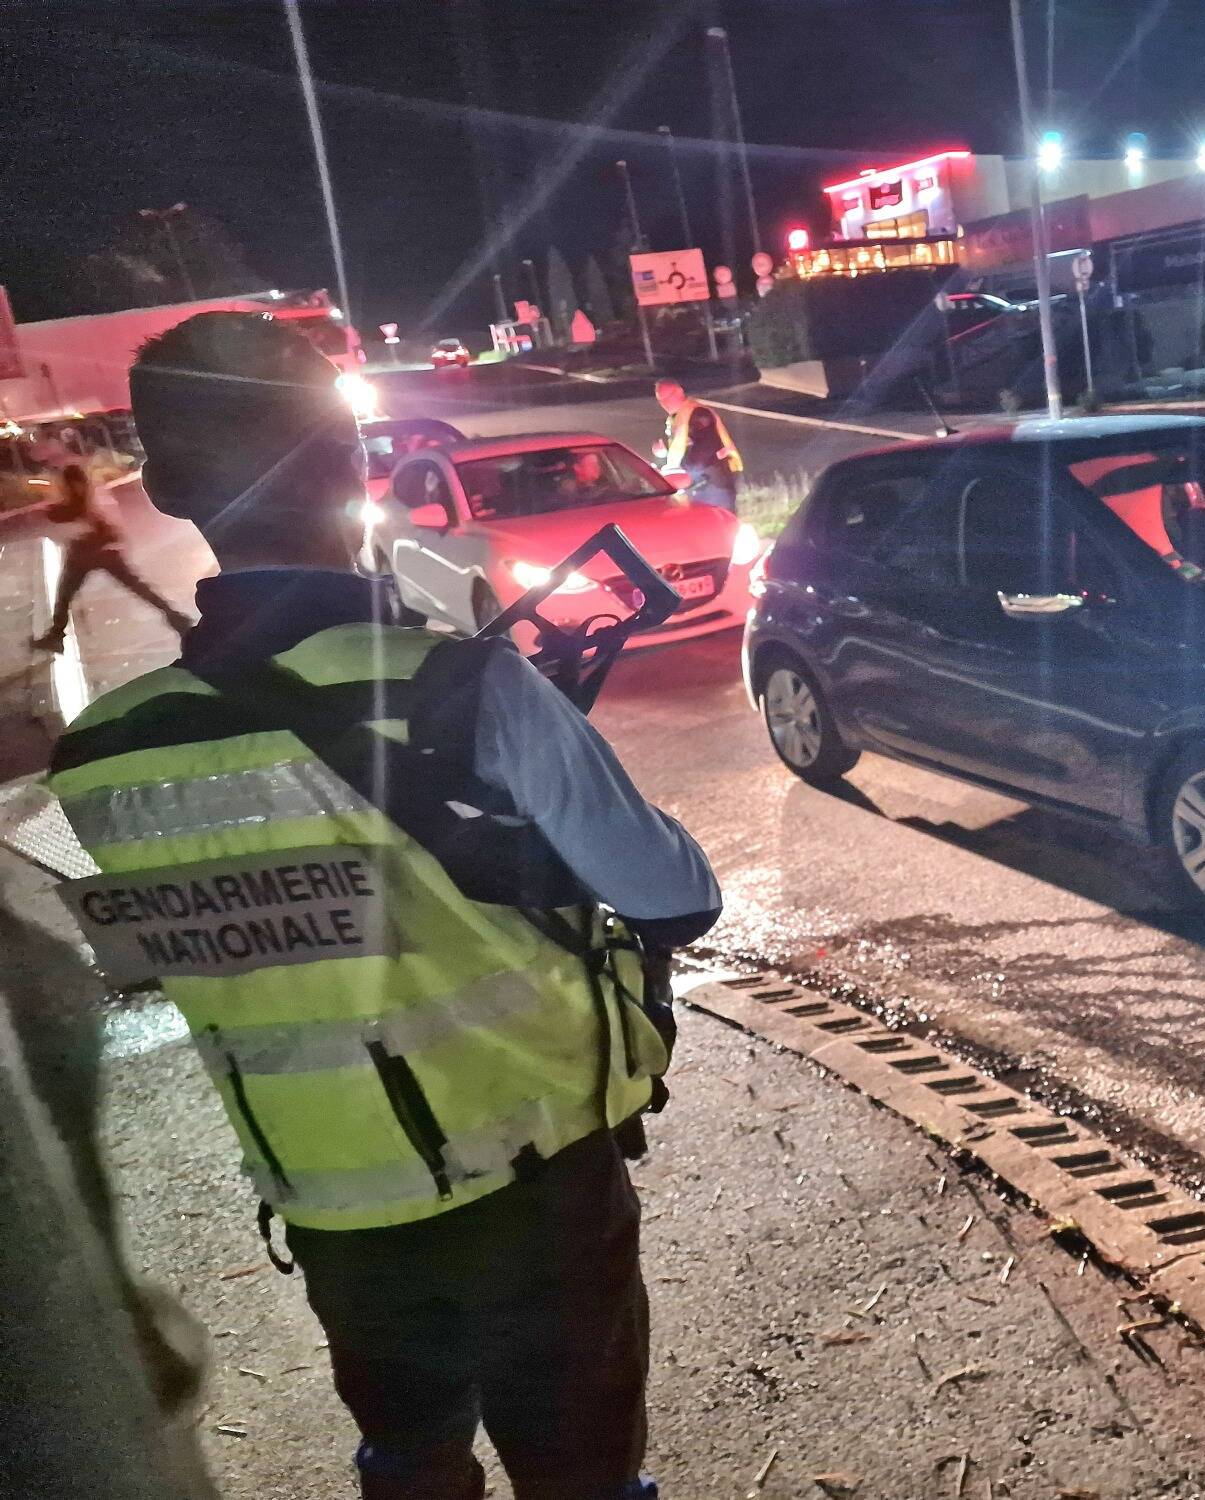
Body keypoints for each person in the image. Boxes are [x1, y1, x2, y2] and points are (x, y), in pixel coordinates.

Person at [46, 312, 723, 1500]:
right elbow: (672, 893)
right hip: (533, 1189)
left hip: (329, 1204)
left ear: (165, 487)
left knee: (409, 1460)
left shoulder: (103, 754)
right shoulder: (459, 684)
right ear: (350, 458)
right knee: (581, 1475)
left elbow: (232, 938)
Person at [32, 461, 195, 651]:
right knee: (136, 587)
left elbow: (82, 519)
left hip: (88, 551)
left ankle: (55, 636)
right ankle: (176, 618)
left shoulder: (82, 500)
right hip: (97, 551)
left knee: (66, 595)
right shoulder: (91, 496)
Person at [651, 379, 742, 511]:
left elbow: (703, 452)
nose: (665, 403)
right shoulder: (676, 418)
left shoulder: (698, 414)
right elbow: (682, 450)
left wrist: (681, 471)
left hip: (714, 482)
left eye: (668, 397)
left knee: (721, 523)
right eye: (661, 400)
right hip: (698, 483)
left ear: (680, 392)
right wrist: (664, 454)